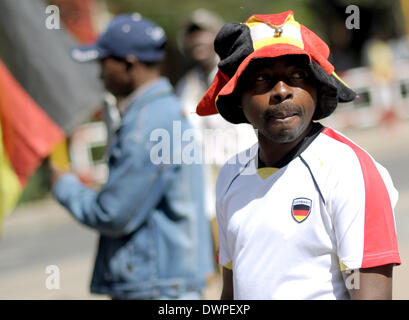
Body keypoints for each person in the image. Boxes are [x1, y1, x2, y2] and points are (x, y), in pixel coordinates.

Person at [196, 10, 401, 300]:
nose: (281, 91)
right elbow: (230, 293)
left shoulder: (350, 170)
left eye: (297, 75)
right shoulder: (231, 174)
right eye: (262, 79)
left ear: (317, 89)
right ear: (239, 99)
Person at [51, 13, 213, 300]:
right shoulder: (162, 111)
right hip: (169, 283)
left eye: (104, 63)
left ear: (129, 64)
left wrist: (64, 185)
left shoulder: (147, 124)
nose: (100, 73)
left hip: (156, 286)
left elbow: (113, 213)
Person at [176, 9, 257, 257]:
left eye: (203, 34)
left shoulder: (237, 76)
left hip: (248, 173)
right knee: (223, 254)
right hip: (208, 178)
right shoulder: (185, 86)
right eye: (192, 36)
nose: (198, 41)